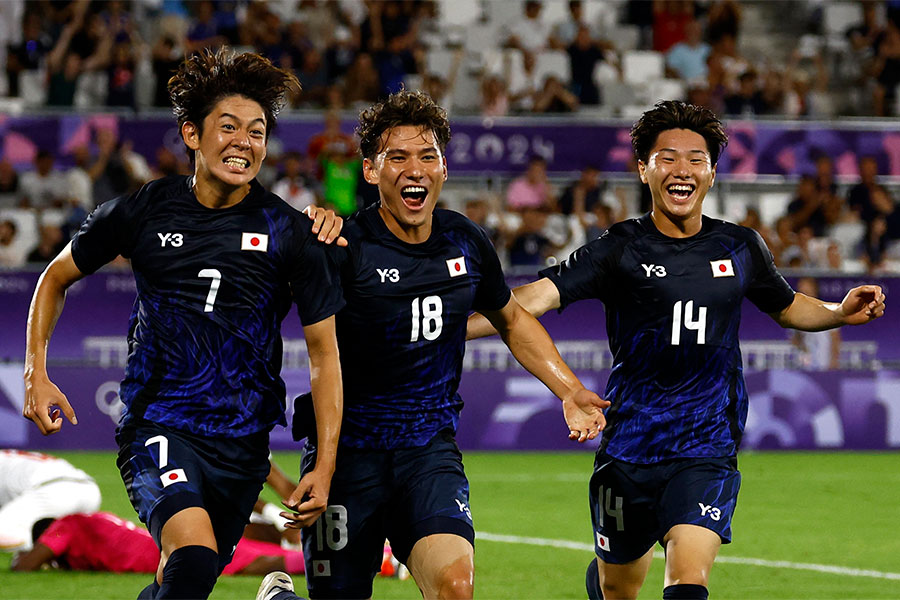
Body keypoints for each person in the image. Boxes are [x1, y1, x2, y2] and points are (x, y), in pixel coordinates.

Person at [466, 100, 886, 600]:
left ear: (711, 173)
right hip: (630, 442)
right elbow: (528, 302)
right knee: (618, 587)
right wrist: (453, 327)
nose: (682, 170)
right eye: (667, 158)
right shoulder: (617, 247)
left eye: (696, 159)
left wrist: (838, 312)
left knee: (688, 582)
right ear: (644, 169)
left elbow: (788, 306)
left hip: (707, 442)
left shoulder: (740, 247)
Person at [22, 47, 347, 600]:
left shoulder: (290, 232)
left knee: (182, 581)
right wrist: (37, 372)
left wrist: (326, 465)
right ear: (192, 134)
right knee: (192, 557)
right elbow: (54, 277)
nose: (244, 142)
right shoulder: (146, 210)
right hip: (160, 424)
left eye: (257, 131)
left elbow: (324, 355)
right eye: (228, 127)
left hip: (244, 444)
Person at [257, 90, 608, 600]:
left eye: (427, 156)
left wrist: (570, 389)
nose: (414, 169)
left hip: (428, 452)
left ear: (444, 168)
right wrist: (324, 467)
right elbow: (321, 358)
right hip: (350, 455)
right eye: (397, 157)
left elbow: (510, 317)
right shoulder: (341, 248)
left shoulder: (465, 241)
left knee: (456, 586)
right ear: (372, 171)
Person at [11, 510, 402, 579]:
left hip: (160, 550)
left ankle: (376, 558)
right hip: (156, 541)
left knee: (256, 564)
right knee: (256, 557)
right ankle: (371, 554)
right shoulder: (89, 523)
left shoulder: (65, 525)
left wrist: (24, 559)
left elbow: (26, 564)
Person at [0, 449, 101, 552]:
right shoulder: (8, 456)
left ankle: (35, 552)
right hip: (90, 491)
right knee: (75, 541)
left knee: (4, 530)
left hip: (54, 491)